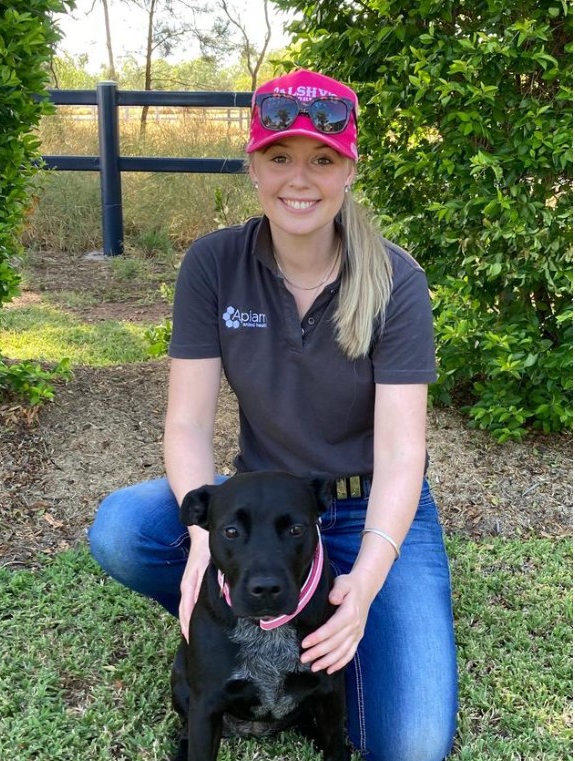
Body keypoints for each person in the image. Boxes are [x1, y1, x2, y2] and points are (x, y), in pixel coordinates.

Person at [89, 69, 458, 761]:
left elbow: (403, 453)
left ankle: (327, 633)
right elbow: (187, 424)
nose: (300, 179)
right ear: (253, 166)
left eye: (323, 159)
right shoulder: (214, 263)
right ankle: (245, 623)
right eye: (280, 156)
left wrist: (365, 584)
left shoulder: (395, 279)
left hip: (368, 505)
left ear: (349, 170)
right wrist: (205, 544)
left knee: (408, 743)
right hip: (260, 506)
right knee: (122, 529)